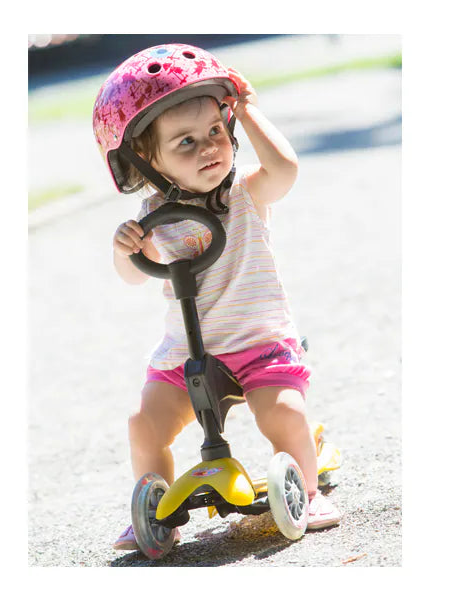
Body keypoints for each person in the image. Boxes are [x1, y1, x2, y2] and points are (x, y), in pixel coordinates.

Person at [92, 43, 341, 551]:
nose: (208, 148)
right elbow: (134, 276)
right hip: (186, 354)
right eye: (185, 142)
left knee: (283, 413)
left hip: (259, 343)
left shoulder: (244, 192)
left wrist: (245, 109)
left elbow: (285, 171)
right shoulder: (152, 215)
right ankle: (153, 508)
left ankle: (309, 491)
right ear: (147, 160)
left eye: (215, 132)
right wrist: (126, 250)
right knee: (145, 424)